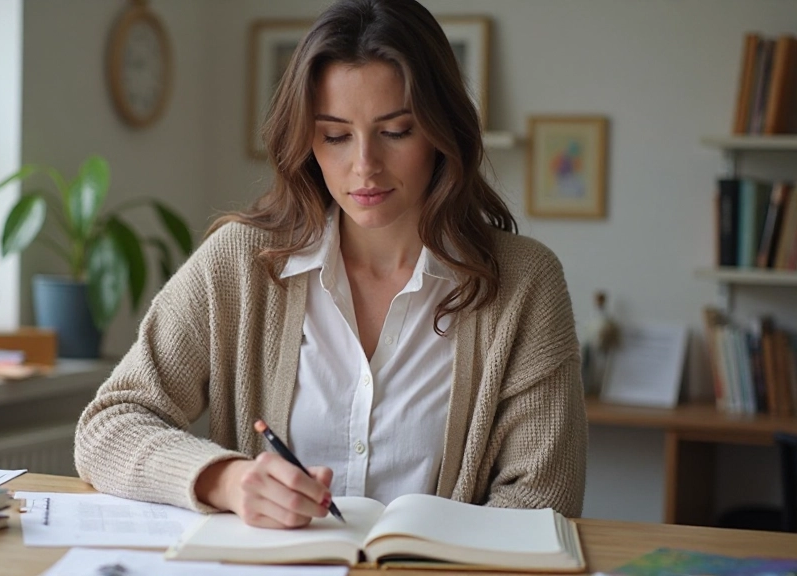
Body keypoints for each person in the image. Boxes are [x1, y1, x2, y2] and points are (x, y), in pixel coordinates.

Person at [75, 0, 586, 529]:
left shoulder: (526, 283)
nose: (364, 166)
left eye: (396, 131)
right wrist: (226, 480)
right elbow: (109, 425)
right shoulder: (240, 263)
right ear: (306, 140)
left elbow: (542, 501)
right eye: (336, 136)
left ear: (442, 131)